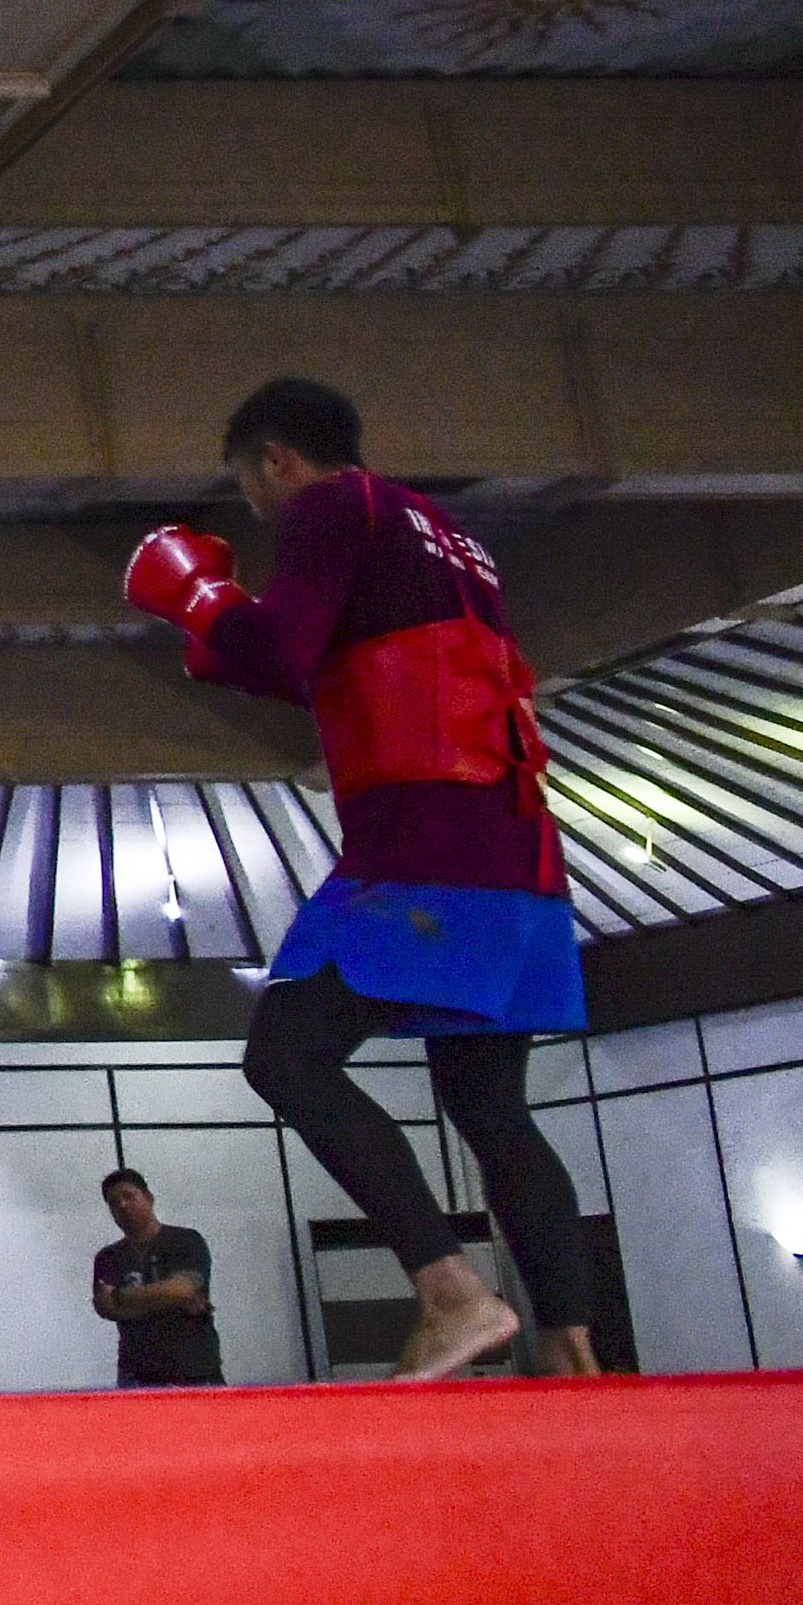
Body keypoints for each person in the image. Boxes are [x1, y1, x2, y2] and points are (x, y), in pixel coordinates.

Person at [129, 375, 599, 1383]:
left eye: (249, 490)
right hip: (515, 848)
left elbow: (283, 640)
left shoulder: (333, 505)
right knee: (489, 1103)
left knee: (285, 1056)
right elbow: (319, 663)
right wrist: (223, 647)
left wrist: (201, 598)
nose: (258, 514)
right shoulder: (443, 532)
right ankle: (571, 1347)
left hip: (422, 844)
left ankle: (448, 1292)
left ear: (273, 461)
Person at [90, 1167, 223, 1387]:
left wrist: (123, 1297)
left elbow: (182, 1289)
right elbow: (106, 1307)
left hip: (196, 1372)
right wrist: (168, 1299)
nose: (122, 1205)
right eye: (114, 1202)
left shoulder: (185, 1241)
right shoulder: (108, 1257)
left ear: (148, 1198)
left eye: (128, 1196)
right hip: (138, 1376)